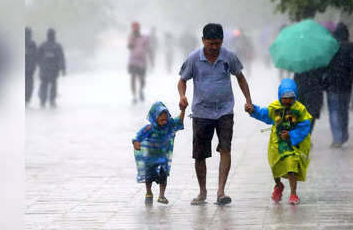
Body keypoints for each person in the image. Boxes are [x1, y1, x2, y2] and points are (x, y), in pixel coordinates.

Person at [178, 23, 253, 206]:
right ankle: (202, 191)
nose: (214, 47)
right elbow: (182, 81)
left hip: (225, 111)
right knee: (200, 154)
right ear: (203, 41)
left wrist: (248, 100)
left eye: (217, 43)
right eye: (210, 43)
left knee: (225, 148)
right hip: (201, 112)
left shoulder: (229, 57)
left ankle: (221, 191)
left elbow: (240, 78)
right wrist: (182, 96)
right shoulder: (194, 58)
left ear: (222, 42)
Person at [245, 78, 313, 205]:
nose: (287, 101)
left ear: (295, 96)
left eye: (291, 98)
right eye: (284, 98)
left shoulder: (300, 109)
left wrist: (292, 135)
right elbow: (264, 114)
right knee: (275, 165)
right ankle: (278, 185)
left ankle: (293, 194)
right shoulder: (275, 107)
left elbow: (305, 126)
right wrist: (253, 110)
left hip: (293, 144)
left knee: (292, 165)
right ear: (280, 96)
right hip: (277, 143)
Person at [132, 102, 186, 205]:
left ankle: (161, 195)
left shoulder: (169, 126)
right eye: (161, 118)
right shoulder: (149, 128)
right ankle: (148, 192)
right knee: (149, 178)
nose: (164, 120)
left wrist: (183, 110)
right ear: (154, 117)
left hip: (163, 158)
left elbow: (178, 121)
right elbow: (137, 136)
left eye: (165, 118)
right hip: (150, 159)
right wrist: (136, 143)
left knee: (163, 176)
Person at [325, 22, 353, 148]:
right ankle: (344, 134)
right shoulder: (352, 47)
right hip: (346, 85)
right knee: (343, 110)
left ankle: (337, 138)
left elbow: (324, 66)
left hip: (332, 85)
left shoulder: (330, 47)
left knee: (334, 111)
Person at [37, 28, 65, 108]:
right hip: (48, 70)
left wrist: (63, 68)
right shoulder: (45, 46)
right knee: (46, 85)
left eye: (52, 35)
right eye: (51, 35)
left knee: (49, 85)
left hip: (51, 70)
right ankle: (44, 100)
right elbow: (37, 57)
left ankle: (49, 100)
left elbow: (61, 58)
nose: (51, 36)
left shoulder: (55, 46)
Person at [293, 67, 327, 132]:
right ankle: (307, 135)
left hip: (302, 92)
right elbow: (322, 80)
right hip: (314, 93)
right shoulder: (318, 65)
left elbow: (295, 81)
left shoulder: (299, 65)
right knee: (311, 115)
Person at [127, 21, 154, 103]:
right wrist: (132, 38)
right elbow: (129, 47)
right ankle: (134, 95)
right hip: (133, 61)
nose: (135, 31)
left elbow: (149, 49)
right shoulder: (131, 37)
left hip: (142, 61)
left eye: (137, 29)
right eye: (134, 29)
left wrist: (152, 59)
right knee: (133, 77)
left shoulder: (145, 38)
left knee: (142, 79)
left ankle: (141, 90)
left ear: (139, 29)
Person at [25, 27, 37, 106]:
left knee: (30, 85)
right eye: (27, 34)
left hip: (30, 69)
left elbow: (36, 55)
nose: (29, 35)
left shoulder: (32, 44)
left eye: (29, 34)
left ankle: (27, 99)